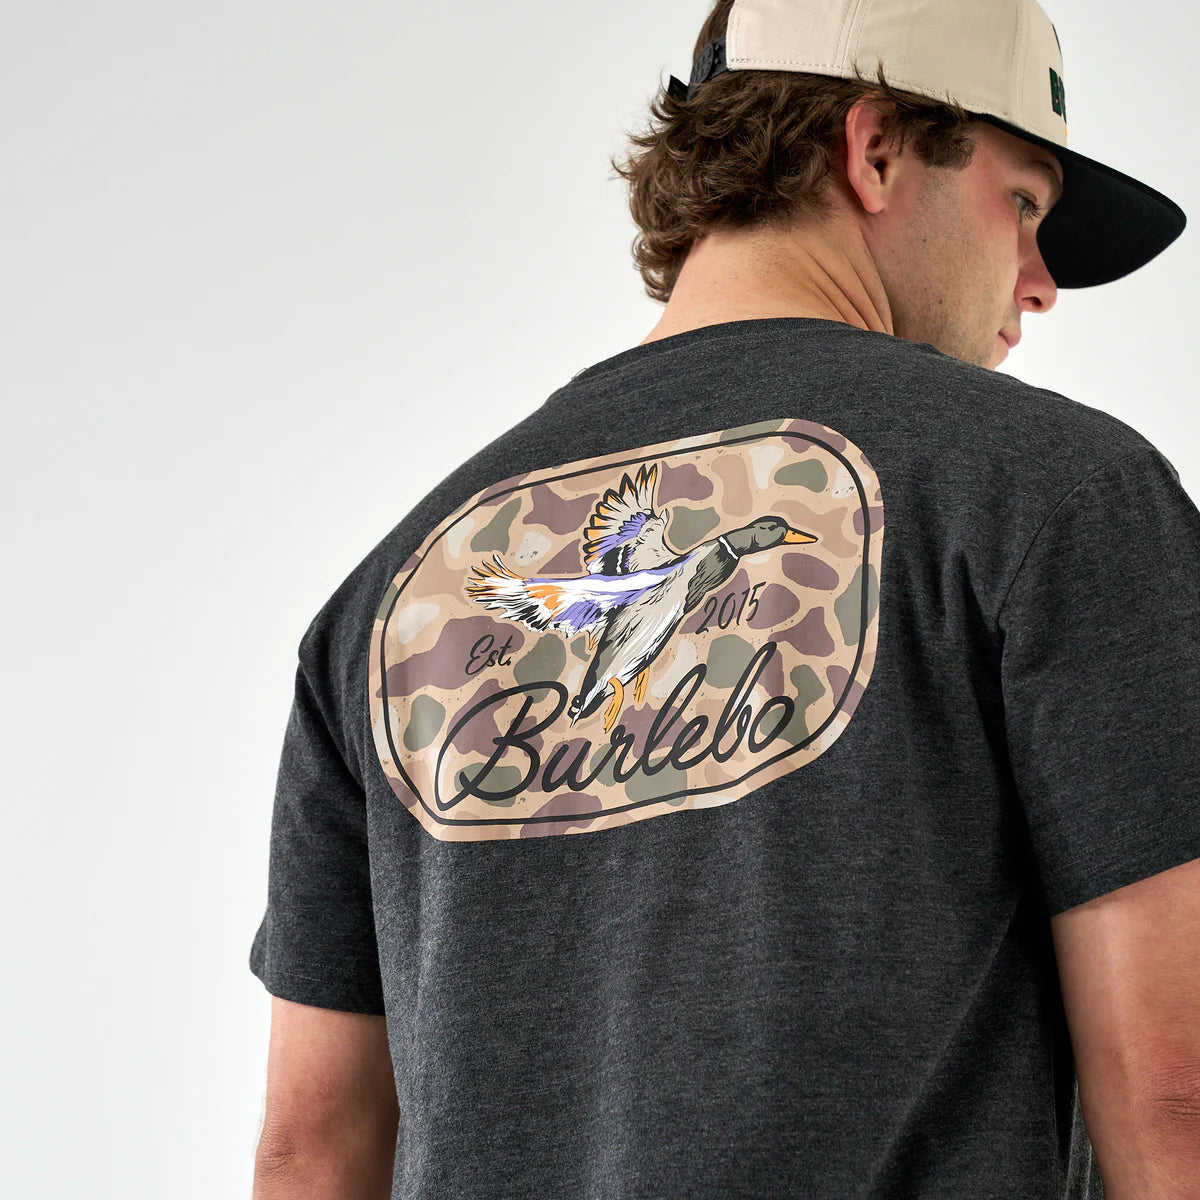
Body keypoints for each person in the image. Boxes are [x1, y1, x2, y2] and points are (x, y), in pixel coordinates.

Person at [248, 1, 1200, 1196]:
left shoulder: (392, 589)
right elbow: (1175, 1093)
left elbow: (308, 1147)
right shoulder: (1055, 495)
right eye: (1024, 204)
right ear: (877, 150)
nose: (1043, 281)